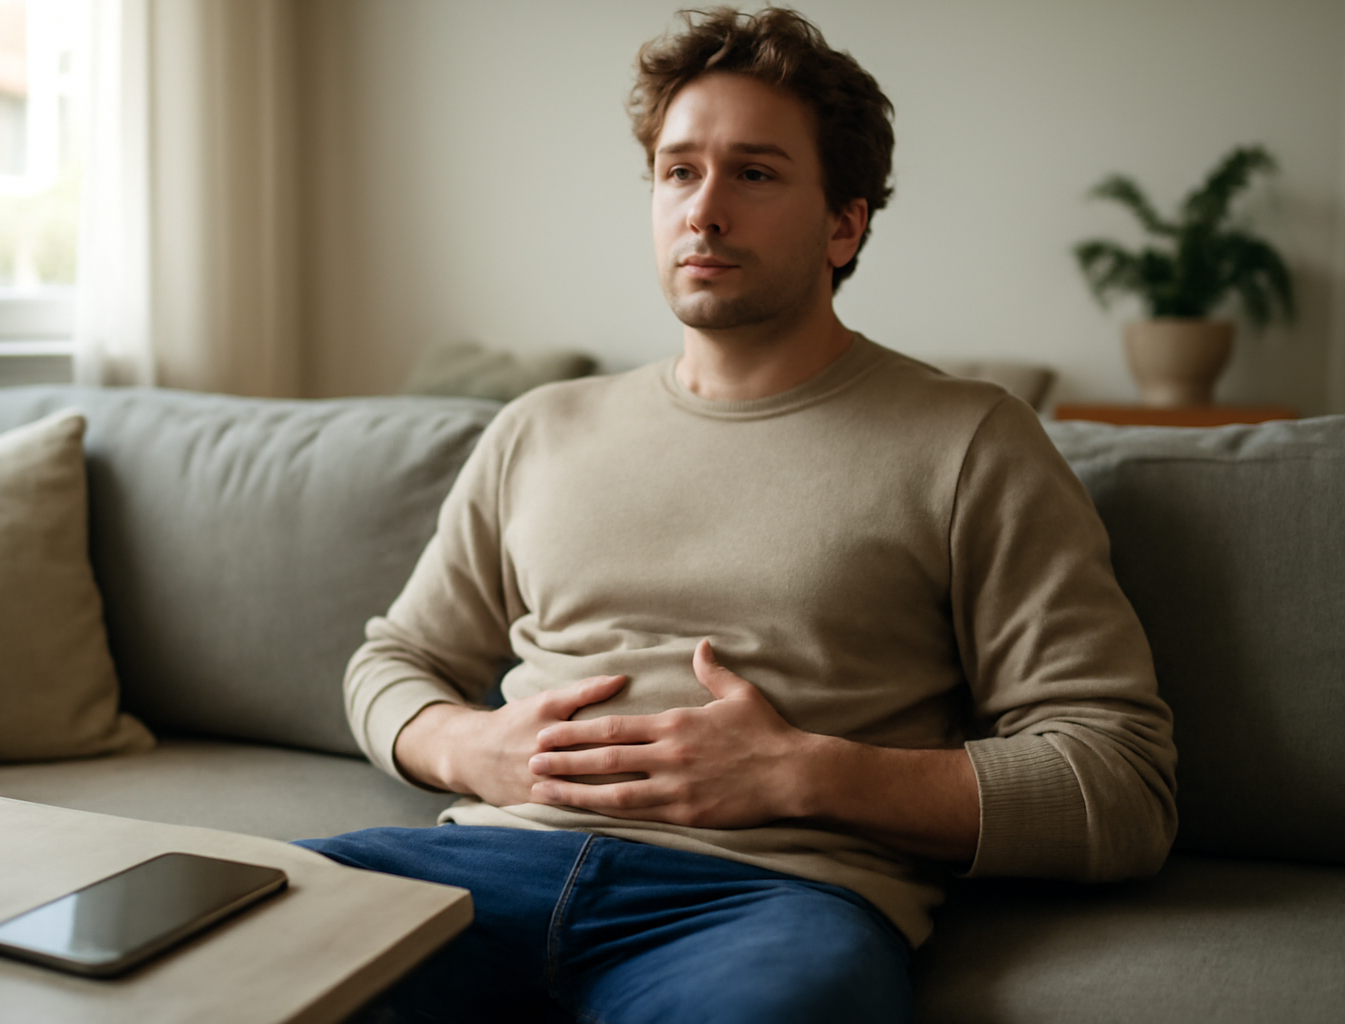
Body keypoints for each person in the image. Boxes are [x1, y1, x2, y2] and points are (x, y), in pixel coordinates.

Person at [296, 8, 1177, 1023]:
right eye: (678, 171)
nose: (703, 210)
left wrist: (808, 773)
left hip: (767, 903)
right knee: (216, 945)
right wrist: (469, 748)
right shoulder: (538, 428)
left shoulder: (971, 440)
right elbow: (391, 659)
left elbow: (1119, 782)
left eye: (753, 174)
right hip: (478, 865)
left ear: (845, 223)